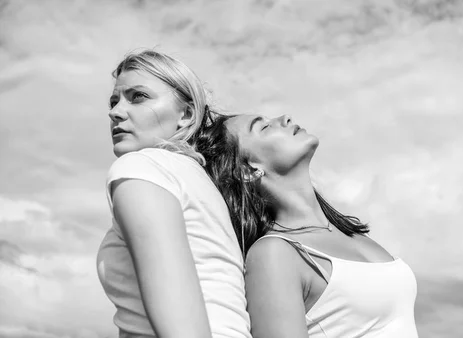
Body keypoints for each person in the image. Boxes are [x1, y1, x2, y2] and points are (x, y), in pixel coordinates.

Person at [196, 112, 419, 337]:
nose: (284, 118)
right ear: (248, 170)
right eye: (263, 128)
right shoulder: (276, 254)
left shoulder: (345, 232)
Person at [96, 50, 251, 338]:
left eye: (138, 96)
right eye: (114, 100)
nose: (115, 111)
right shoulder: (201, 182)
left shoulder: (143, 167)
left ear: (187, 114)